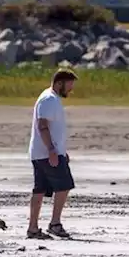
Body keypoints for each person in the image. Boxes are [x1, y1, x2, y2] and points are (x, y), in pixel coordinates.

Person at [28, 68, 78, 240]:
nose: (71, 90)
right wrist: (52, 150)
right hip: (47, 153)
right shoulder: (49, 99)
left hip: (42, 152)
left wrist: (61, 151)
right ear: (59, 83)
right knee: (64, 186)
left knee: (40, 190)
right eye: (69, 86)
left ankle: (33, 229)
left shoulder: (50, 98)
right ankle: (55, 224)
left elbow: (52, 128)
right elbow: (43, 126)